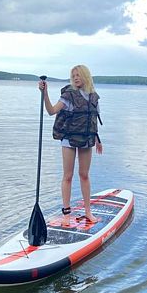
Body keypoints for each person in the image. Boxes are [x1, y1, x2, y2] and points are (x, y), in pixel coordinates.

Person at [39, 65, 103, 227]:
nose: (75, 78)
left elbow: (93, 119)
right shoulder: (68, 96)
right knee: (68, 176)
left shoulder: (93, 97)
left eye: (78, 75)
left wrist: (98, 140)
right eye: (73, 76)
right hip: (68, 139)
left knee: (84, 175)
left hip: (86, 139)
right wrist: (45, 94)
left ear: (85, 76)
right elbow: (51, 111)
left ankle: (88, 211)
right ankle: (66, 214)